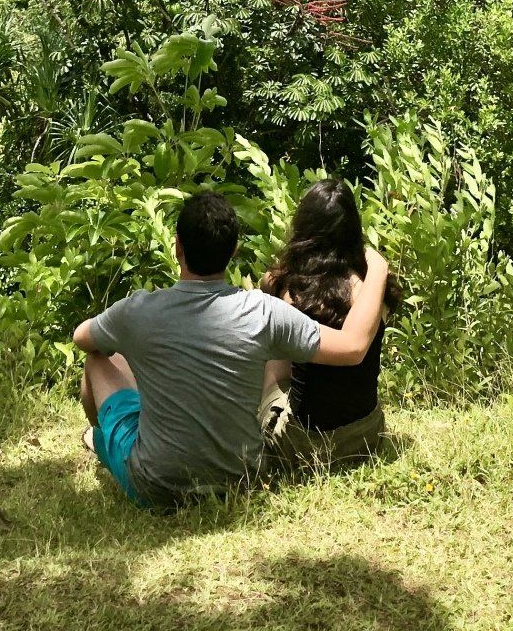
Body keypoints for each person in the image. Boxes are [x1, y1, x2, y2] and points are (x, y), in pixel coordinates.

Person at [73, 189, 390, 508]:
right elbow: (351, 346)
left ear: (177, 245)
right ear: (234, 250)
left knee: (99, 359)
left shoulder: (138, 310)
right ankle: (108, 440)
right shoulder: (264, 312)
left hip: (156, 486)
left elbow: (82, 337)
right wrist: (377, 266)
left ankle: (101, 440)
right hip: (242, 479)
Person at [259, 178, 401, 469]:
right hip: (366, 438)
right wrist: (376, 265)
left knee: (265, 350)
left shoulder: (286, 288)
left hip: (302, 446)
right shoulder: (373, 287)